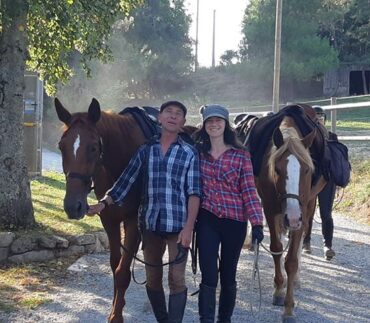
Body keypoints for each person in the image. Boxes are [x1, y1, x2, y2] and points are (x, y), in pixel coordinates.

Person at [88, 101, 201, 323]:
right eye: (168, 112)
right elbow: (125, 182)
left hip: (178, 226)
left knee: (177, 279)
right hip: (150, 225)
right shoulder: (145, 150)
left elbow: (195, 192)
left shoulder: (190, 153)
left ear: (183, 122)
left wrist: (189, 228)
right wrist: (103, 203)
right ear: (159, 118)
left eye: (178, 114)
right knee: (152, 279)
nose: (173, 116)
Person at [193, 104, 264, 323]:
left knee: (228, 274)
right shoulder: (198, 154)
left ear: (226, 124)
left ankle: (225, 318)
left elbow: (249, 190)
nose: (214, 125)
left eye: (218, 121)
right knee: (209, 274)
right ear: (204, 126)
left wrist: (257, 222)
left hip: (235, 221)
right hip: (207, 219)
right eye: (210, 121)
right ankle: (206, 319)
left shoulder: (241, 155)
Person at [303, 105, 336, 260]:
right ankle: (306, 242)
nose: (318, 119)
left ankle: (327, 245)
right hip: (309, 179)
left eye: (321, 116)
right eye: (315, 116)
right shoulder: (305, 139)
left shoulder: (332, 137)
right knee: (307, 211)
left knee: (325, 213)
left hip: (326, 179)